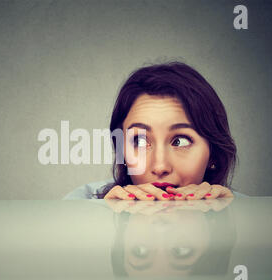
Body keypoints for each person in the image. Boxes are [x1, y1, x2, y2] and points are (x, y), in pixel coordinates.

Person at [64, 62, 245, 200]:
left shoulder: (249, 212)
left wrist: (229, 220)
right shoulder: (83, 203)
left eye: (180, 141)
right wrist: (108, 223)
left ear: (213, 154)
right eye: (140, 142)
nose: (160, 167)